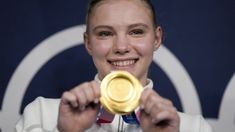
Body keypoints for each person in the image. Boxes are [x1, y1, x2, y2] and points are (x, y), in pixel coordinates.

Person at [16, 0, 212, 132]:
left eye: (136, 32)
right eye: (105, 33)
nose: (121, 47)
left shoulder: (193, 127)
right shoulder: (41, 115)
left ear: (157, 38)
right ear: (88, 43)